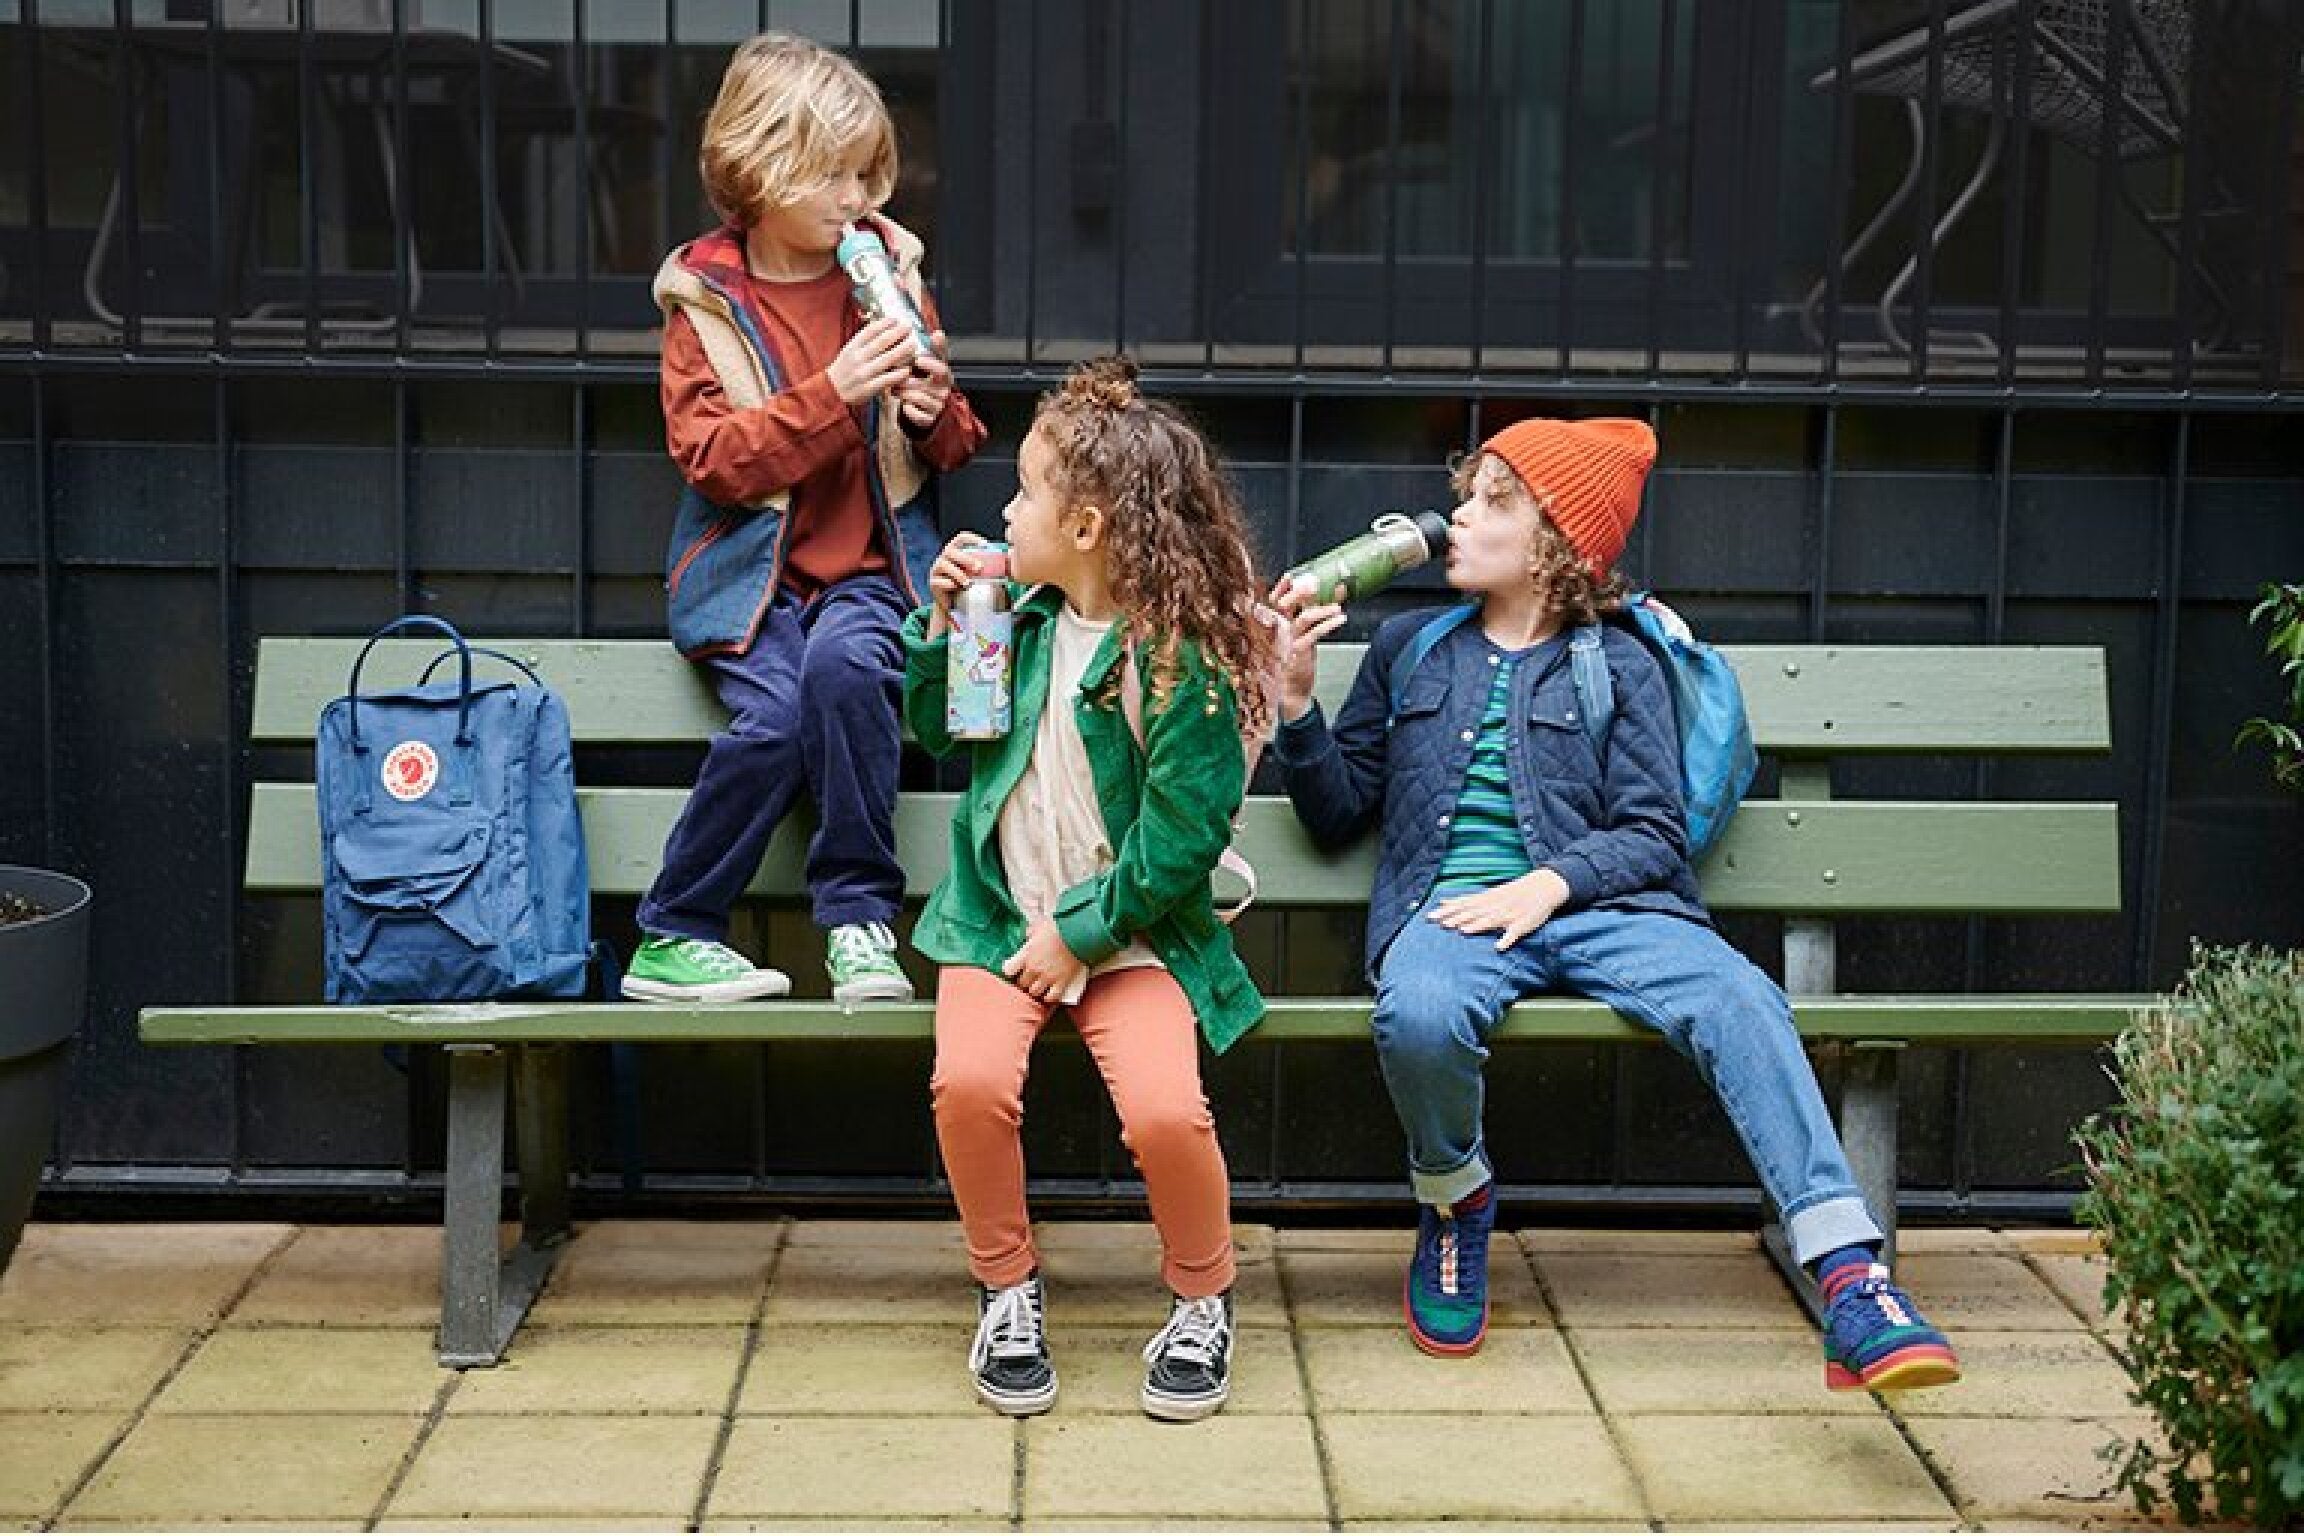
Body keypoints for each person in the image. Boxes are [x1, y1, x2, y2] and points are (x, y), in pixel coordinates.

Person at [1271, 416, 1962, 1393]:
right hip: (1456, 914)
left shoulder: (1622, 662)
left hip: (1610, 911)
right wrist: (1297, 704)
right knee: (1418, 1011)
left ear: (1556, 540)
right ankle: (1457, 1202)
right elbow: (1338, 812)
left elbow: (1652, 832)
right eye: (1467, 497)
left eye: (1493, 502)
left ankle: (1852, 1277)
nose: (1458, 518)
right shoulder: (1408, 649)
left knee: (1741, 999)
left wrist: (1548, 883)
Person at [902, 357, 1275, 1421]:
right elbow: (948, 732)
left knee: (1166, 1111)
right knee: (969, 1085)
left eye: (1024, 493)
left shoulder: (1181, 660)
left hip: (1132, 935)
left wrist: (1079, 936)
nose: (1004, 513)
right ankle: (1005, 1286)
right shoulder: (1011, 618)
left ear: (1087, 527)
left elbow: (1181, 840)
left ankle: (1202, 1294)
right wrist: (946, 628)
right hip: (999, 918)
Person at [623, 31, 986, 1006]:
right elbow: (713, 461)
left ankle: (859, 921)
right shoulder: (704, 302)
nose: (857, 198)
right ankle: (673, 931)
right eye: (834, 175)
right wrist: (834, 393)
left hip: (871, 571)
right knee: (777, 718)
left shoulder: (888, 269)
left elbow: (953, 443)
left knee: (850, 675)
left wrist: (932, 409)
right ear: (762, 168)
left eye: (868, 173)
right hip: (752, 582)